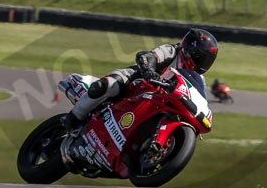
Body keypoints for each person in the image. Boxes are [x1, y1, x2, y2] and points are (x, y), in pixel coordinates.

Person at [61, 28, 218, 131]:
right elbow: (147, 56)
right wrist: (149, 70)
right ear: (191, 48)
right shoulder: (172, 51)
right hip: (136, 82)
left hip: (158, 102)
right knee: (107, 85)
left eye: (207, 60)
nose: (202, 63)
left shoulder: (198, 79)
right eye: (201, 57)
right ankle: (72, 118)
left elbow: (200, 100)